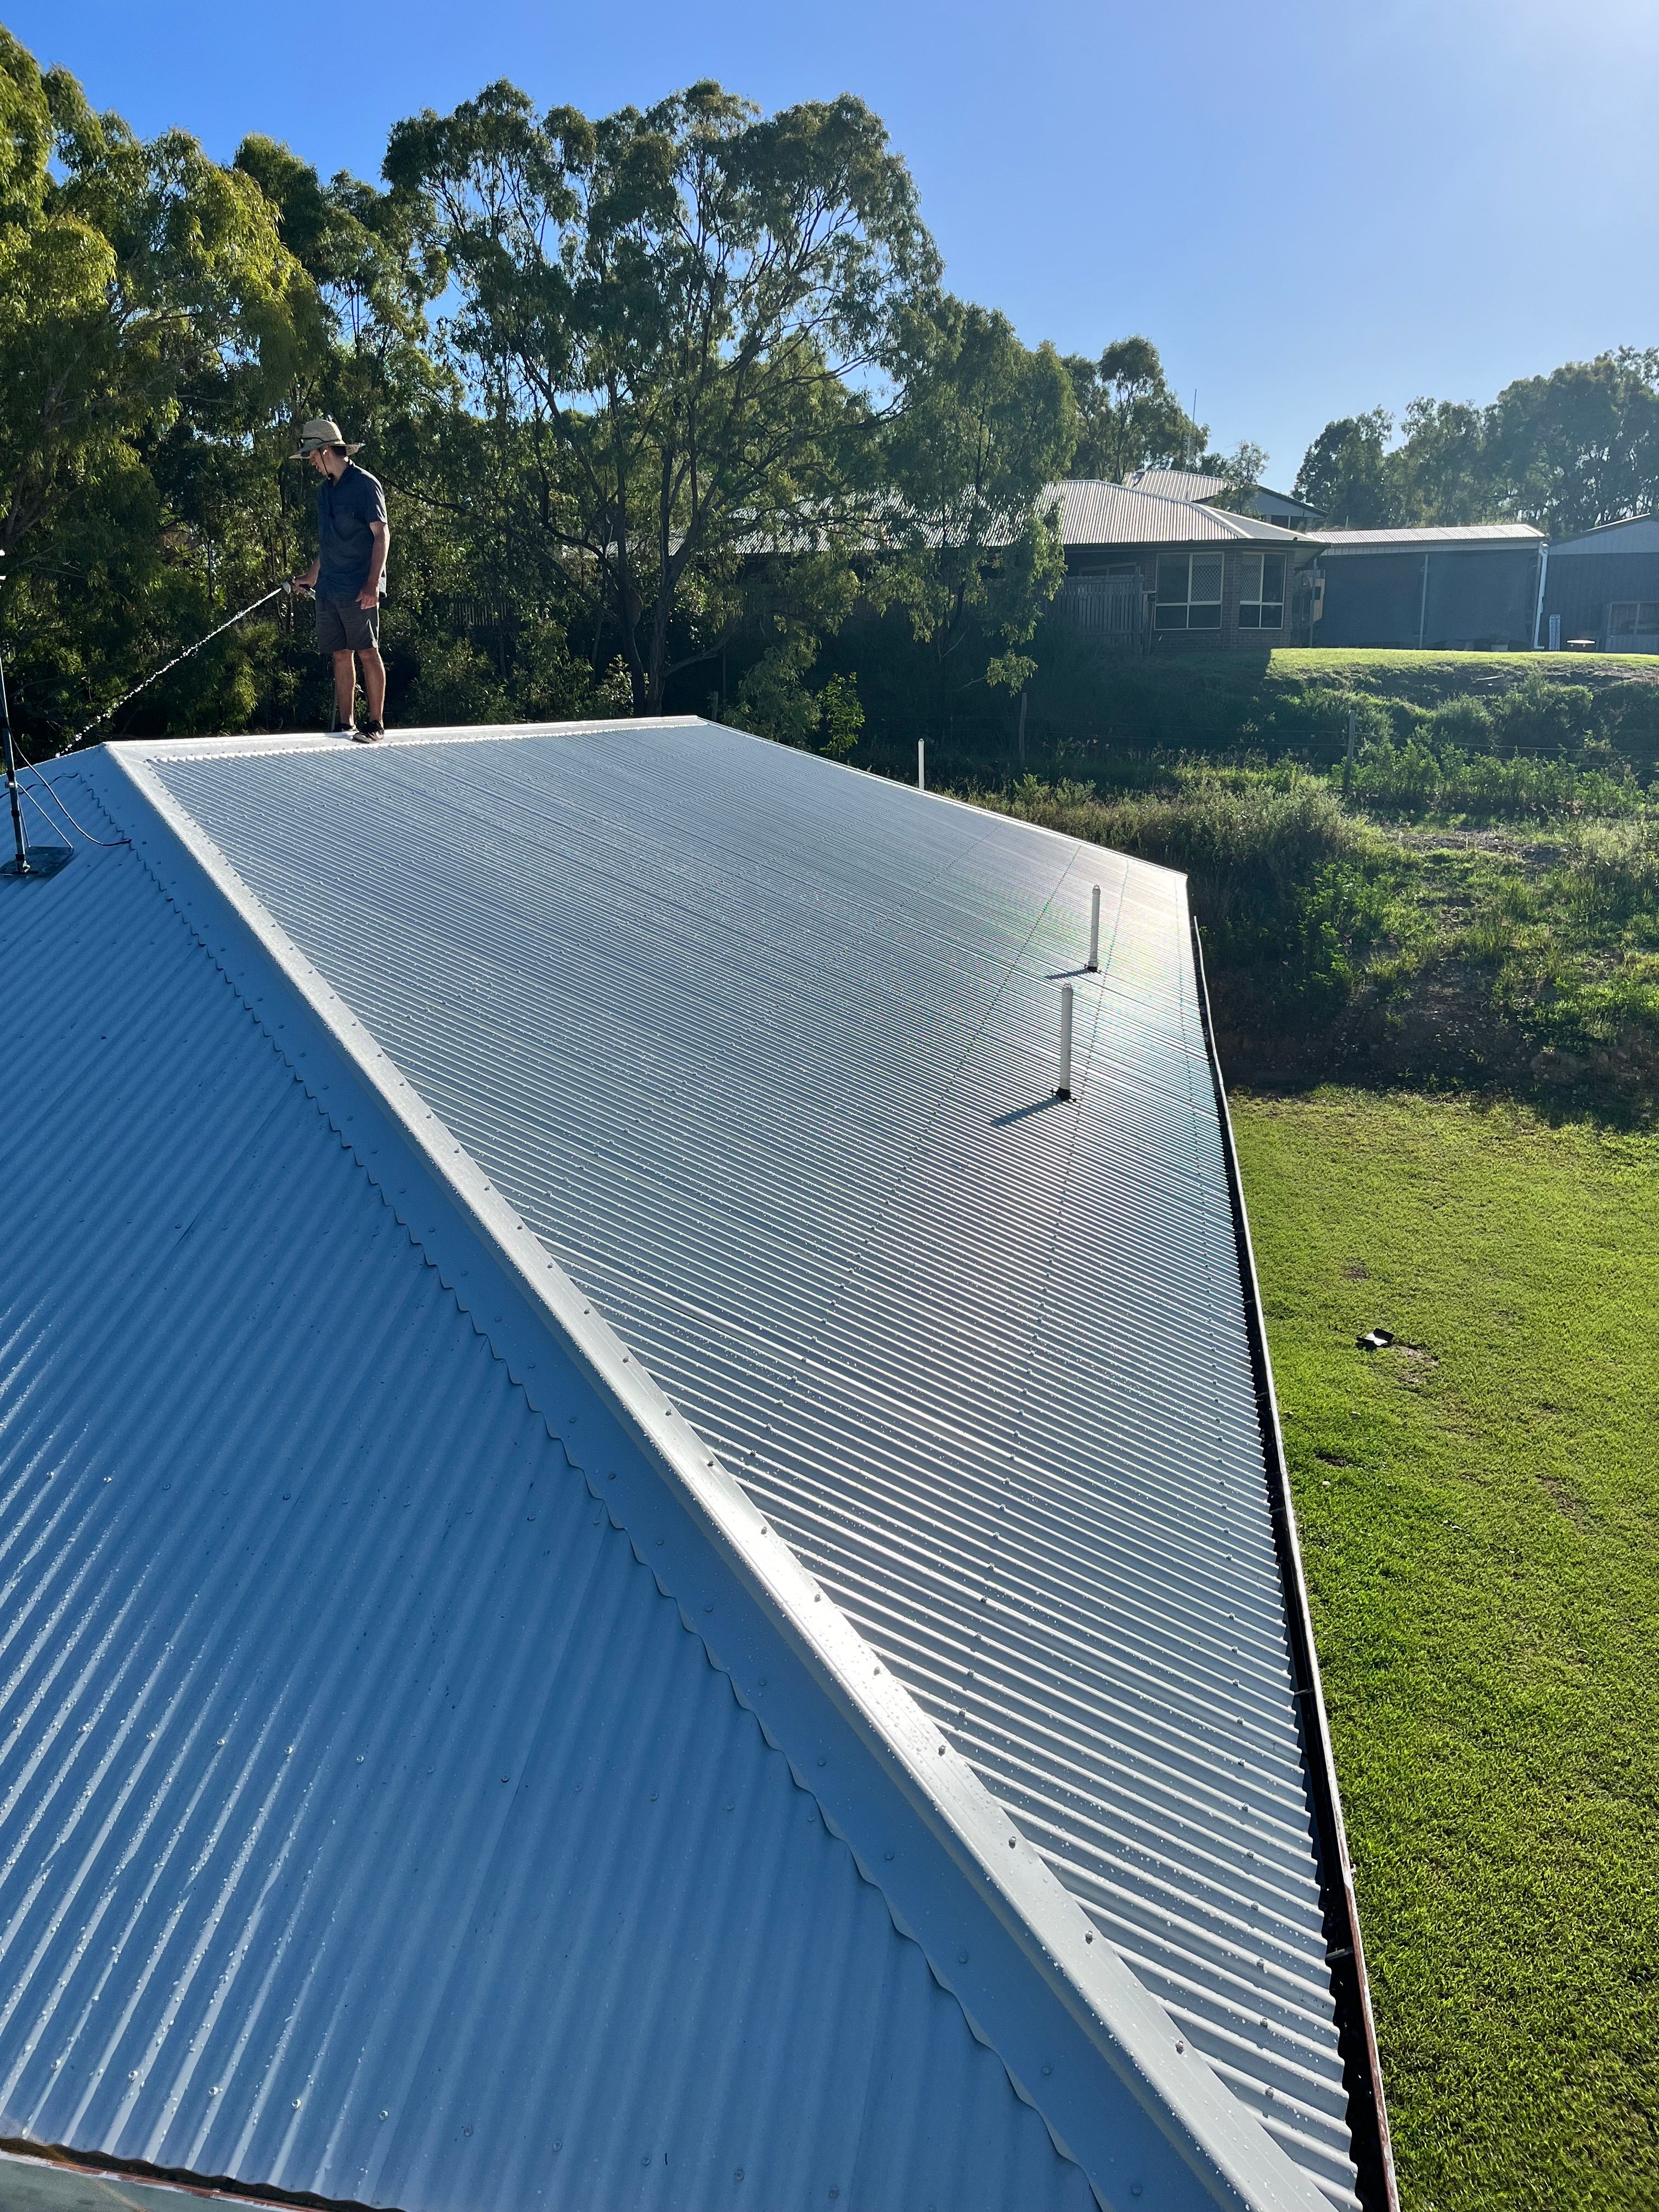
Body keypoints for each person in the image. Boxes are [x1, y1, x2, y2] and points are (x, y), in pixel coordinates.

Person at [289, 418, 391, 741]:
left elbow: (382, 536)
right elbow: (329, 544)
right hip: (329, 587)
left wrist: (372, 585)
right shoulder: (324, 492)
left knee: (367, 650)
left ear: (324, 451)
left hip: (359, 586)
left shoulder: (365, 485)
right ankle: (346, 724)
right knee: (340, 653)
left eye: (311, 456)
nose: (311, 463)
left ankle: (375, 724)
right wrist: (311, 576)